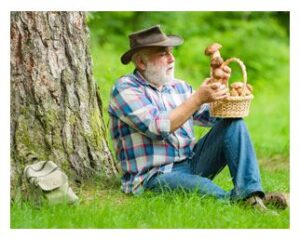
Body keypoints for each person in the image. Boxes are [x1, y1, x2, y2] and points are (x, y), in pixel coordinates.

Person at [108, 25, 288, 212]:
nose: (172, 58)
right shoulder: (125, 88)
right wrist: (197, 98)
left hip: (192, 161)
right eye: (163, 54)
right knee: (203, 190)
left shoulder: (178, 86)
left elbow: (215, 118)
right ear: (141, 62)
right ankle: (247, 202)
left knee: (234, 123)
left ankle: (251, 193)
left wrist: (219, 87)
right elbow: (156, 127)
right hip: (153, 177)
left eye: (171, 52)